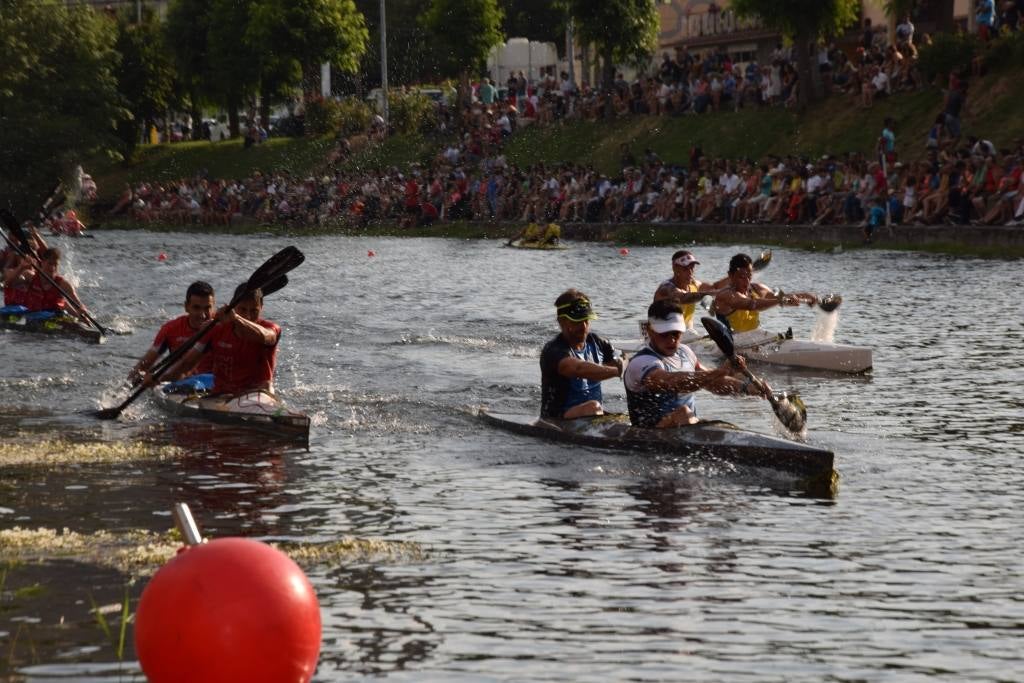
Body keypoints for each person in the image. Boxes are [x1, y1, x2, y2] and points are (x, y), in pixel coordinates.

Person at [624, 300, 770, 428]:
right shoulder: (641, 362)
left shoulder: (685, 352)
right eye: (664, 334)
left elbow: (713, 383)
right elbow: (673, 383)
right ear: (650, 331)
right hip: (650, 436)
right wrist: (720, 371)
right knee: (684, 413)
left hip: (686, 428)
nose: (671, 340)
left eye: (676, 333)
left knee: (709, 422)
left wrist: (745, 388)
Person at [164, 282, 281, 396]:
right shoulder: (217, 329)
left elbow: (265, 336)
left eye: (254, 311)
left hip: (256, 395)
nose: (248, 316)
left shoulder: (271, 328)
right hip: (220, 396)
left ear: (261, 308)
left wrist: (236, 319)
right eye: (243, 309)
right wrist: (159, 380)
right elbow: (187, 364)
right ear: (233, 307)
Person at [540, 289, 624, 419]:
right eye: (577, 321)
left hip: (591, 415)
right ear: (562, 321)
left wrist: (625, 365)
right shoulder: (553, 351)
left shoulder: (598, 343)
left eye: (586, 320)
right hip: (558, 418)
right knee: (594, 406)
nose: (584, 326)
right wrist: (619, 371)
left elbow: (623, 360)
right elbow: (578, 368)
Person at [129, 281, 216, 385]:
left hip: (212, 384)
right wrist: (127, 386)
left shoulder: (222, 327)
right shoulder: (171, 329)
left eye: (207, 308)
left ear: (214, 306)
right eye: (196, 308)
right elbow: (145, 364)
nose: (202, 315)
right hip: (180, 384)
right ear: (186, 307)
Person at [713, 253, 815, 333]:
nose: (747, 281)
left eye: (749, 275)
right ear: (730, 275)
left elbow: (781, 297)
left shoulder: (757, 289)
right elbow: (752, 304)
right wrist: (780, 301)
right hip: (732, 343)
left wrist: (807, 296)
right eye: (741, 276)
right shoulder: (726, 295)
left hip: (754, 339)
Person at [18, 247, 90, 322]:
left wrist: (82, 309)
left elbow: (78, 303)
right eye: (50, 263)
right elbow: (8, 283)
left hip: (54, 319)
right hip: (32, 317)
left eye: (55, 264)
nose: (52, 268)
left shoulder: (63, 284)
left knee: (64, 305)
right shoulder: (30, 276)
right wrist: (21, 267)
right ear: (42, 262)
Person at [652, 250, 718, 329]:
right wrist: (712, 293)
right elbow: (683, 298)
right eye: (685, 269)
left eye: (692, 267)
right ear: (675, 268)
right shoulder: (666, 288)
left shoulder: (695, 285)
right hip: (664, 335)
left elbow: (715, 287)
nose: (690, 272)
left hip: (686, 334)